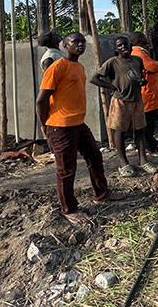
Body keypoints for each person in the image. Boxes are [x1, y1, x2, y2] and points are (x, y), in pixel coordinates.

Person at [36, 32, 109, 224]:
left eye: (82, 41)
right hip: (60, 126)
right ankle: (68, 209)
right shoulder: (57, 67)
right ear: (64, 46)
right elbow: (41, 100)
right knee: (66, 169)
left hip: (78, 123)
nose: (80, 44)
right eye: (75, 42)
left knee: (94, 156)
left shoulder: (78, 67)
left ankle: (102, 194)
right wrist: (45, 126)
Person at [91, 35, 156, 177]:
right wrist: (111, 87)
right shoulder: (112, 63)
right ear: (116, 49)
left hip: (137, 100)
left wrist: (141, 82)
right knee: (119, 131)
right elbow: (94, 79)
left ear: (131, 46)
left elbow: (140, 76)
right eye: (119, 45)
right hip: (120, 102)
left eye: (125, 44)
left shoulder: (137, 60)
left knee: (139, 130)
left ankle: (143, 160)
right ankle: (123, 163)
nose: (123, 47)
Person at [129, 31, 158, 159]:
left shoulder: (134, 52)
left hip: (145, 93)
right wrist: (157, 63)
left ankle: (142, 144)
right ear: (140, 40)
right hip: (147, 94)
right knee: (148, 123)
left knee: (144, 122)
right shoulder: (139, 52)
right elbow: (152, 67)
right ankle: (150, 147)